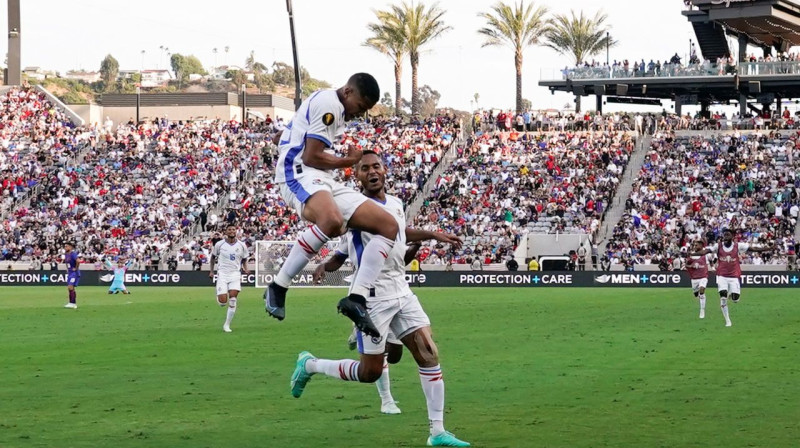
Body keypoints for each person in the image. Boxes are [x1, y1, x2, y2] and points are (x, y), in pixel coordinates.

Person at [292, 151, 470, 447]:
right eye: (364, 169)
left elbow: (400, 235)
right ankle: (310, 365)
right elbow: (340, 251)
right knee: (370, 372)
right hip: (372, 297)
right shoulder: (352, 209)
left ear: (385, 171)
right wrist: (324, 266)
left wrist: (433, 236)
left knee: (428, 352)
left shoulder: (397, 204)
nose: (372, 172)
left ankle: (437, 431)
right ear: (357, 176)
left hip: (401, 289)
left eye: (376, 166)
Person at [264, 73, 398, 338]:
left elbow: (285, 135)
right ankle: (278, 286)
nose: (359, 114)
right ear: (348, 92)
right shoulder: (331, 105)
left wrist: (285, 137)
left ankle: (356, 299)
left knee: (388, 225)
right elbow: (312, 156)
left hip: (322, 179)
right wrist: (348, 162)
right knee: (332, 221)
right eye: (360, 107)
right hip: (299, 174)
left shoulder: (326, 101)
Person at [691, 228, 774, 327]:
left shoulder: (738, 246)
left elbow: (754, 249)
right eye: (724, 235)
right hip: (722, 276)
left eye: (727, 235)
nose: (725, 237)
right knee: (723, 297)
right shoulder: (718, 246)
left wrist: (768, 249)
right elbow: (705, 252)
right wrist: (692, 254)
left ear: (733, 236)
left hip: (734, 276)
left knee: (735, 299)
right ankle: (727, 321)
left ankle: (732, 294)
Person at [210, 224, 250, 333]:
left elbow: (245, 259)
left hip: (235, 274)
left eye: (233, 229)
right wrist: (211, 271)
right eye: (229, 230)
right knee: (223, 302)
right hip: (222, 274)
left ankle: (227, 325)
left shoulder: (242, 245)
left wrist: (246, 268)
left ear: (236, 231)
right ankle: (219, 296)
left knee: (233, 299)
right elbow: (213, 257)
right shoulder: (219, 244)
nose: (232, 231)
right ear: (226, 232)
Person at [685, 241, 709, 319]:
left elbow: (712, 261)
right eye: (694, 245)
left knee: (702, 291)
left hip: (703, 276)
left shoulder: (705, 255)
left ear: (701, 246)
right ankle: (697, 294)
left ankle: (702, 310)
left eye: (696, 245)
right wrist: (691, 266)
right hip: (694, 278)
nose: (694, 246)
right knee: (696, 294)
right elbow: (686, 265)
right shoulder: (691, 255)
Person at [63, 242, 80, 309]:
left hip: (74, 273)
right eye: (65, 246)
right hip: (70, 273)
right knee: (70, 287)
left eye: (66, 246)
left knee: (70, 287)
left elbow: (78, 261)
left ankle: (73, 303)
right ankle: (71, 302)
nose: (65, 247)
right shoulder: (66, 254)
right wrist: (67, 269)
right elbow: (67, 263)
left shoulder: (73, 254)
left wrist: (76, 268)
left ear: (70, 247)